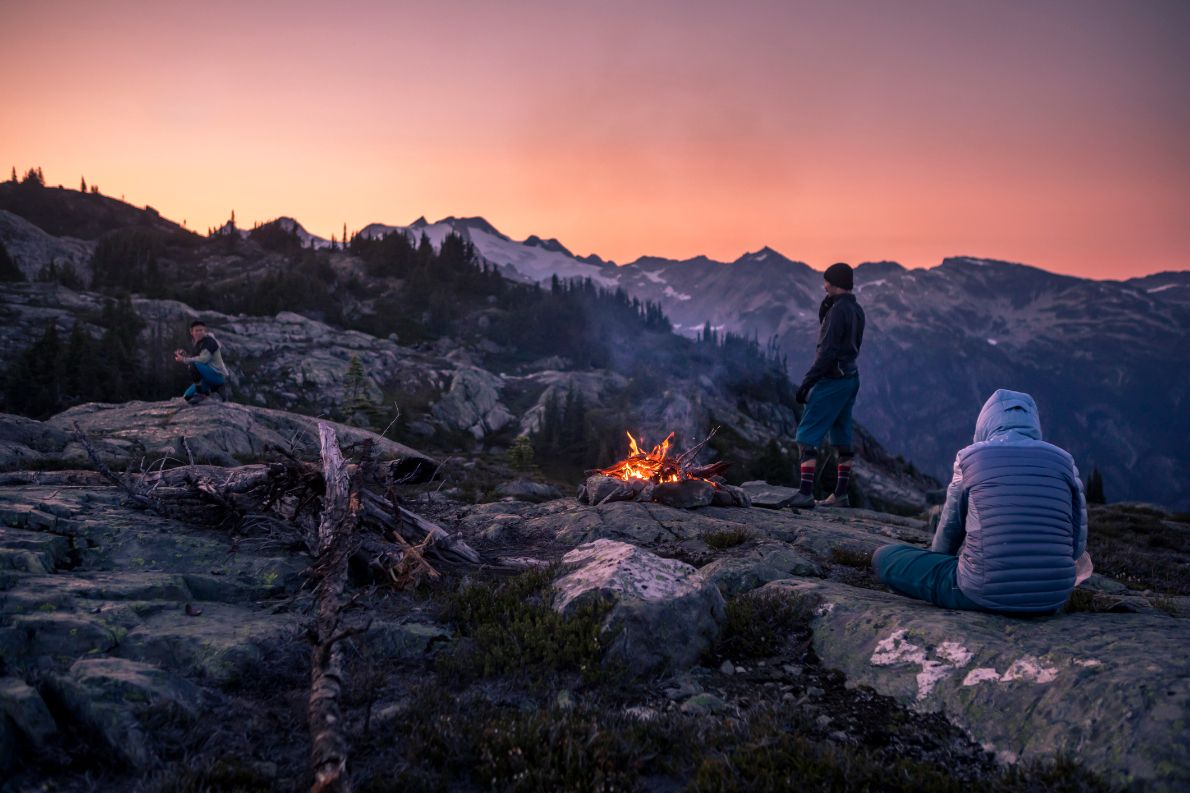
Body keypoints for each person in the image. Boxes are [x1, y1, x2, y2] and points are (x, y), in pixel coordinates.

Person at [871, 389, 1088, 614]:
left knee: (884, 557)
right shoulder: (1065, 461)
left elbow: (950, 530)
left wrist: (940, 563)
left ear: (985, 422)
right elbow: (1077, 544)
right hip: (1053, 596)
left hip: (981, 592)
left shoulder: (969, 458)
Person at [788, 262, 865, 508]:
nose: (824, 285)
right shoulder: (856, 310)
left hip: (833, 379)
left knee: (806, 435)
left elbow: (828, 350)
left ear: (832, 282)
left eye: (826, 281)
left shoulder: (838, 311)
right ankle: (841, 494)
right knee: (842, 435)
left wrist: (807, 383)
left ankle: (805, 493)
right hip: (851, 377)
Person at [174, 320, 228, 404]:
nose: (199, 333)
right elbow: (195, 358)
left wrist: (184, 360)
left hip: (216, 375)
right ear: (191, 332)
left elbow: (203, 359)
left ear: (205, 330)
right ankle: (207, 392)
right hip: (206, 376)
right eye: (197, 330)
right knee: (186, 397)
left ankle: (204, 392)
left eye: (201, 330)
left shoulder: (210, 342)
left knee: (193, 365)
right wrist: (184, 356)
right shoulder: (198, 343)